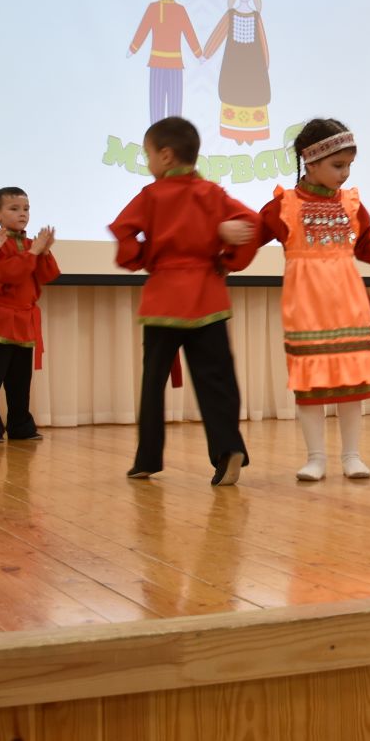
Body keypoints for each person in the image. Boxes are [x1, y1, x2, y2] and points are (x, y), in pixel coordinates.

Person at [251, 118, 370, 480]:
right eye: (338, 165)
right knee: (309, 381)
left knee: (350, 380)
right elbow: (250, 236)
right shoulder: (284, 205)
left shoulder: (351, 205)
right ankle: (316, 458)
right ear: (310, 163)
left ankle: (351, 455)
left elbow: (368, 242)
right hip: (306, 305)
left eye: (349, 166)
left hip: (347, 302)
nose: (345, 173)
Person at [110, 116, 259, 484]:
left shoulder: (151, 196)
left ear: (164, 155)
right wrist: (224, 255)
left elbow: (126, 244)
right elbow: (250, 226)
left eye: (147, 155)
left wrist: (147, 257)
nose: (148, 163)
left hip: (164, 298)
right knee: (217, 380)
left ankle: (146, 458)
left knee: (153, 382)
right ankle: (227, 448)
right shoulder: (213, 194)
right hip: (207, 296)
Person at [0, 186, 60, 444]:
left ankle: (21, 425)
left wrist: (43, 251)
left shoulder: (32, 244)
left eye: (26, 208)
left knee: (20, 380)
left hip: (24, 320)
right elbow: (5, 274)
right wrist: (33, 253)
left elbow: (47, 276)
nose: (23, 214)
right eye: (14, 209)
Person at [200, 0, 273, 144]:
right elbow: (218, 34)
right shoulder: (231, 15)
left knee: (253, 96)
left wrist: (265, 63)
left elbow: (263, 41)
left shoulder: (256, 16)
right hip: (234, 64)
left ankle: (252, 134)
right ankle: (236, 134)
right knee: (234, 95)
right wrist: (206, 54)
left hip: (253, 65)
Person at [127, 0, 204, 123]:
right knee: (156, 103)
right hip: (156, 63)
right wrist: (133, 48)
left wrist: (199, 54)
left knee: (175, 106)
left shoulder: (180, 10)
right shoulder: (153, 8)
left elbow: (189, 33)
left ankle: (175, 141)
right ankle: (154, 142)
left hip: (175, 64)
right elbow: (143, 30)